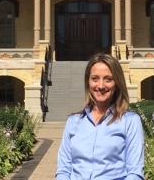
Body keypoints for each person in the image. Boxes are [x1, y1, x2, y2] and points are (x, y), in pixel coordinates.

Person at [56, 52, 144, 180]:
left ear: (117, 83)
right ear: (88, 82)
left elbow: (135, 174)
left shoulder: (130, 121)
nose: (101, 86)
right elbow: (63, 170)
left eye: (108, 79)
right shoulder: (73, 122)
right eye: (95, 78)